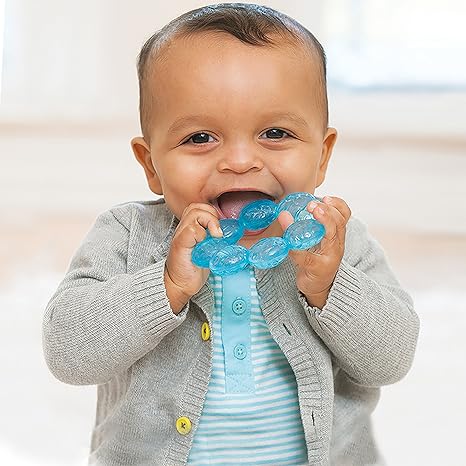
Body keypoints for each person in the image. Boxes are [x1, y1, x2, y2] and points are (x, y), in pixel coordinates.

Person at [42, 3, 420, 465]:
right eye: (200, 138)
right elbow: (68, 354)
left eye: (275, 133)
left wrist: (330, 286)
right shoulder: (127, 235)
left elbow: (392, 359)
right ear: (151, 165)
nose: (240, 161)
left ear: (322, 156)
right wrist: (165, 287)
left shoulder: (334, 241)